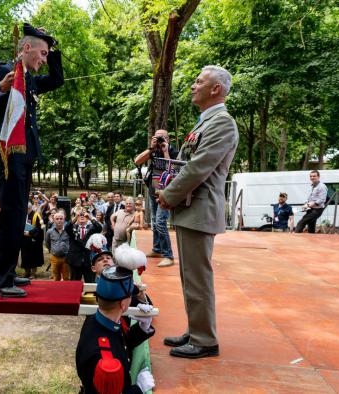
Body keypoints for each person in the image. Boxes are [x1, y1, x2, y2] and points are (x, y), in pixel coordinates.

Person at [0, 23, 64, 297]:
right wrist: (1, 88)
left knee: (17, 216)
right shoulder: (5, 72)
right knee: (11, 216)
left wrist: (53, 49)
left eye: (47, 54)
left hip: (25, 157)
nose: (44, 59)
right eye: (42, 53)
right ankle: (0, 280)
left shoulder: (31, 79)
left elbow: (57, 80)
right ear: (26, 48)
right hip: (7, 155)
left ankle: (9, 271)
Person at [158, 65, 238, 359]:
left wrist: (168, 194)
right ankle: (196, 330)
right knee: (190, 276)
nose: (193, 86)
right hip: (192, 208)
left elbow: (199, 166)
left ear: (215, 88)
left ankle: (205, 339)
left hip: (200, 208)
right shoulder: (206, 122)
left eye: (198, 81)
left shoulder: (223, 123)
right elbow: (185, 163)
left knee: (197, 277)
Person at [75, 265, 155, 394]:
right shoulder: (106, 360)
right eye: (130, 296)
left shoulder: (97, 320)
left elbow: (119, 344)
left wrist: (142, 328)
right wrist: (138, 388)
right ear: (123, 304)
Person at [134, 129, 179, 267]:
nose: (159, 140)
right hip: (153, 190)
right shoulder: (153, 150)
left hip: (166, 192)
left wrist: (165, 151)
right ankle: (157, 249)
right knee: (154, 221)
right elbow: (137, 161)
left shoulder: (173, 151)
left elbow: (173, 170)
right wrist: (151, 148)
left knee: (160, 221)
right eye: (157, 137)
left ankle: (168, 255)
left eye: (162, 138)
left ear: (168, 139)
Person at [65, 209, 102, 282]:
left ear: (87, 219)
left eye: (84, 216)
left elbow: (99, 228)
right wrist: (76, 216)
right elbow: (67, 227)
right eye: (80, 216)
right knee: (74, 284)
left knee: (90, 283)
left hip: (88, 261)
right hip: (75, 260)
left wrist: (90, 217)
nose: (82, 216)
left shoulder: (91, 229)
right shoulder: (72, 228)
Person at [21, 203, 44, 279]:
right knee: (25, 256)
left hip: (33, 240)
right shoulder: (23, 215)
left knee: (33, 256)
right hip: (24, 240)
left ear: (29, 208)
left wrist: (30, 233)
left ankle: (33, 273)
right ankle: (26, 272)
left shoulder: (36, 215)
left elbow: (40, 228)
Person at [45, 210, 69, 281]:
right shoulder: (49, 231)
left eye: (61, 219)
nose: (59, 220)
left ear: (64, 220)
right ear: (54, 220)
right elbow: (47, 243)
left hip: (66, 258)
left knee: (66, 277)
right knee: (56, 278)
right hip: (54, 258)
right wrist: (52, 250)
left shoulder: (68, 231)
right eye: (57, 219)